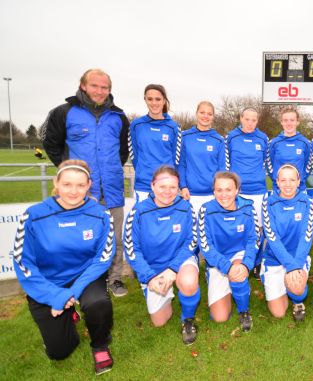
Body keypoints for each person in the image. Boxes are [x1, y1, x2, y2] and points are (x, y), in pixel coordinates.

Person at [11, 160, 115, 375]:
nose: (74, 191)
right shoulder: (33, 215)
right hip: (48, 282)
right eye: (67, 184)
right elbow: (23, 262)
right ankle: (70, 315)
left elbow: (103, 259)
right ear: (56, 183)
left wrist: (71, 293)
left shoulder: (101, 215)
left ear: (89, 185)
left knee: (97, 303)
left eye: (80, 185)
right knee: (59, 351)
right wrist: (54, 295)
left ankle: (100, 344)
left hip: (85, 277)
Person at [42, 68, 130, 297]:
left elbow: (123, 152)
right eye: (95, 86)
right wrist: (71, 173)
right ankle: (85, 281)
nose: (100, 91)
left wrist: (110, 170)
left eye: (105, 87)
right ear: (83, 85)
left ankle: (116, 278)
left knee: (115, 236)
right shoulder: (65, 112)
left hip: (111, 188)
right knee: (81, 238)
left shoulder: (119, 117)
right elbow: (51, 144)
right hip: (79, 192)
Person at [124, 166, 200, 345]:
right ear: (152, 186)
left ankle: (187, 320)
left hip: (179, 262)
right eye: (162, 186)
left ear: (179, 188)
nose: (167, 192)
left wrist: (173, 269)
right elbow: (131, 249)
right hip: (153, 269)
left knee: (188, 282)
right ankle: (157, 288)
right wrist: (149, 276)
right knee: (160, 321)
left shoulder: (186, 208)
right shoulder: (139, 211)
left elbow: (192, 241)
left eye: (173, 187)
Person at [198, 171, 260, 332]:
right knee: (220, 317)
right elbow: (206, 246)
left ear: (237, 190)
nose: (224, 194)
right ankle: (214, 276)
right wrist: (226, 267)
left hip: (239, 255)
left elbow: (254, 240)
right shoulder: (206, 210)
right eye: (219, 190)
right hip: (218, 259)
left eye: (228, 189)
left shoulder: (248, 207)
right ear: (214, 191)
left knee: (238, 270)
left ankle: (244, 311)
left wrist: (246, 265)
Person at [261, 164, 313, 321]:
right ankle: (280, 281)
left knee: (297, 289)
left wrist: (294, 265)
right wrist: (289, 266)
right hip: (274, 259)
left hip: (298, 257)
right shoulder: (268, 203)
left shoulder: (307, 202)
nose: (288, 184)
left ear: (299, 181)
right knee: (278, 312)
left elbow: (307, 237)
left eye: (292, 179)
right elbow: (272, 238)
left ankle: (297, 300)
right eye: (283, 180)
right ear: (277, 182)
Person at [129, 84, 181, 203]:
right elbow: (134, 155)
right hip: (143, 185)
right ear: (145, 100)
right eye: (150, 99)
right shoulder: (136, 125)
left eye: (158, 99)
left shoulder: (173, 127)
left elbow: (176, 158)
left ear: (164, 101)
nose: (154, 103)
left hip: (166, 185)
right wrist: (144, 171)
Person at [178, 100, 226, 212]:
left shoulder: (219, 140)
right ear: (196, 113)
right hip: (189, 194)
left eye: (209, 114)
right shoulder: (185, 136)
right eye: (202, 112)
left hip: (212, 195)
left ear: (213, 117)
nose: (206, 116)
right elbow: (181, 164)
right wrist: (183, 186)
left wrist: (219, 190)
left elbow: (222, 169)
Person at [225, 107, 269, 224]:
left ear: (257, 121)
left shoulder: (263, 138)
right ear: (241, 119)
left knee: (258, 227)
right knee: (238, 226)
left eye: (253, 120)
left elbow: (266, 160)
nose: (250, 123)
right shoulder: (231, 137)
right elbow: (226, 162)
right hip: (237, 191)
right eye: (247, 119)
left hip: (258, 190)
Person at [268, 107, 311, 193]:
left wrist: (300, 179)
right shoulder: (273, 143)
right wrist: (278, 180)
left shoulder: (306, 143)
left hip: (299, 190)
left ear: (297, 122)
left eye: (292, 120)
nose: (289, 123)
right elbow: (270, 165)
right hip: (278, 190)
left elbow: (308, 165)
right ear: (281, 122)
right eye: (285, 120)